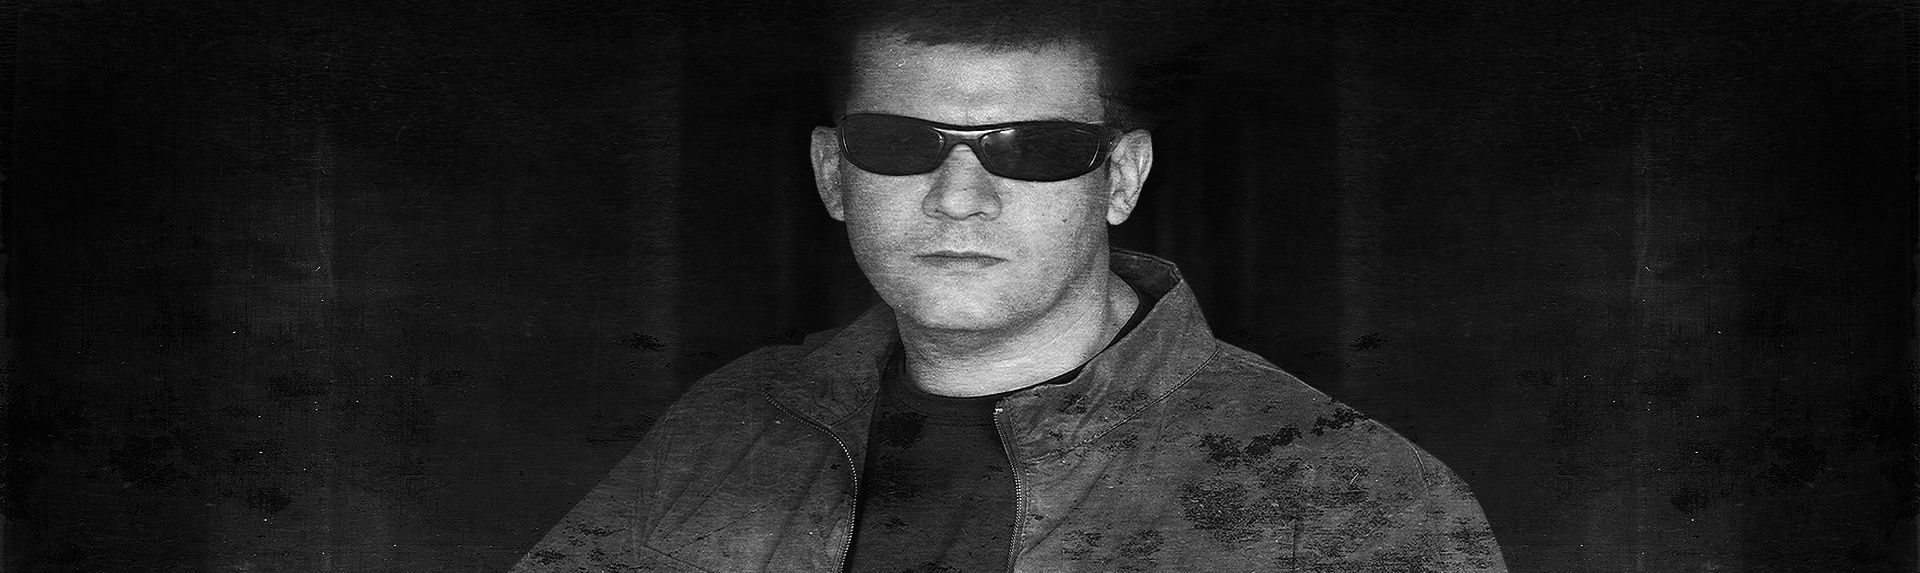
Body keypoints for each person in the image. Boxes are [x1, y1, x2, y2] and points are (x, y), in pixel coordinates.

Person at [514, 3, 1507, 571]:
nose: (959, 196)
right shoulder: (727, 428)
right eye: (901, 143)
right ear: (832, 174)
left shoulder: (1346, 497)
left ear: (1121, 178)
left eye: (1032, 148)